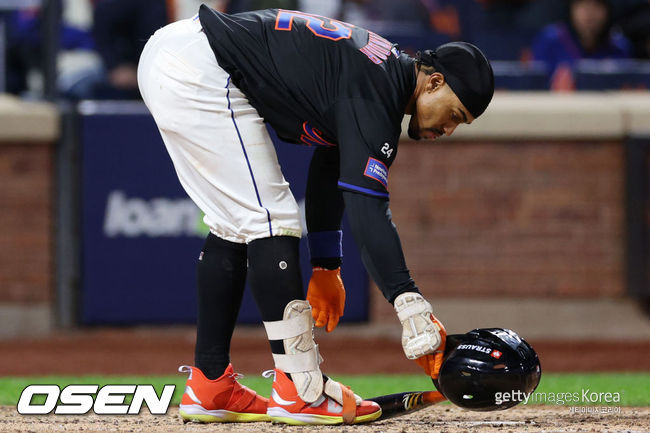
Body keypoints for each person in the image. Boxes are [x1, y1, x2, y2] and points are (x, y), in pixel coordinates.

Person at [137, 7, 493, 425]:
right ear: (434, 81)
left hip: (185, 54)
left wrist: (326, 264)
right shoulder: (376, 91)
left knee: (236, 223)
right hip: (200, 65)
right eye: (454, 114)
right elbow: (367, 207)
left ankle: (210, 384)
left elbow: (331, 163)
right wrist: (409, 304)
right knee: (271, 219)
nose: (449, 128)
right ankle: (299, 389)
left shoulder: (381, 77)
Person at [532, 0, 631, 89]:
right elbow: (534, 86)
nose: (589, 13)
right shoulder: (550, 40)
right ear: (571, 8)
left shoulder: (618, 45)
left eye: (597, 5)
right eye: (582, 5)